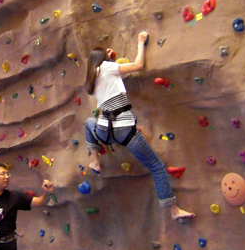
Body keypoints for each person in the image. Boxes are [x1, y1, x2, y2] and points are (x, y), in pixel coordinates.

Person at [84, 31, 195, 222]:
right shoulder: (108, 67)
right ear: (104, 59)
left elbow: (105, 94)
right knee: (157, 166)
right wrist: (141, 42)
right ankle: (173, 210)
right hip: (125, 131)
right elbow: (138, 65)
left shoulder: (93, 80)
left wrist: (110, 59)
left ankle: (95, 161)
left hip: (104, 132)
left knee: (88, 122)